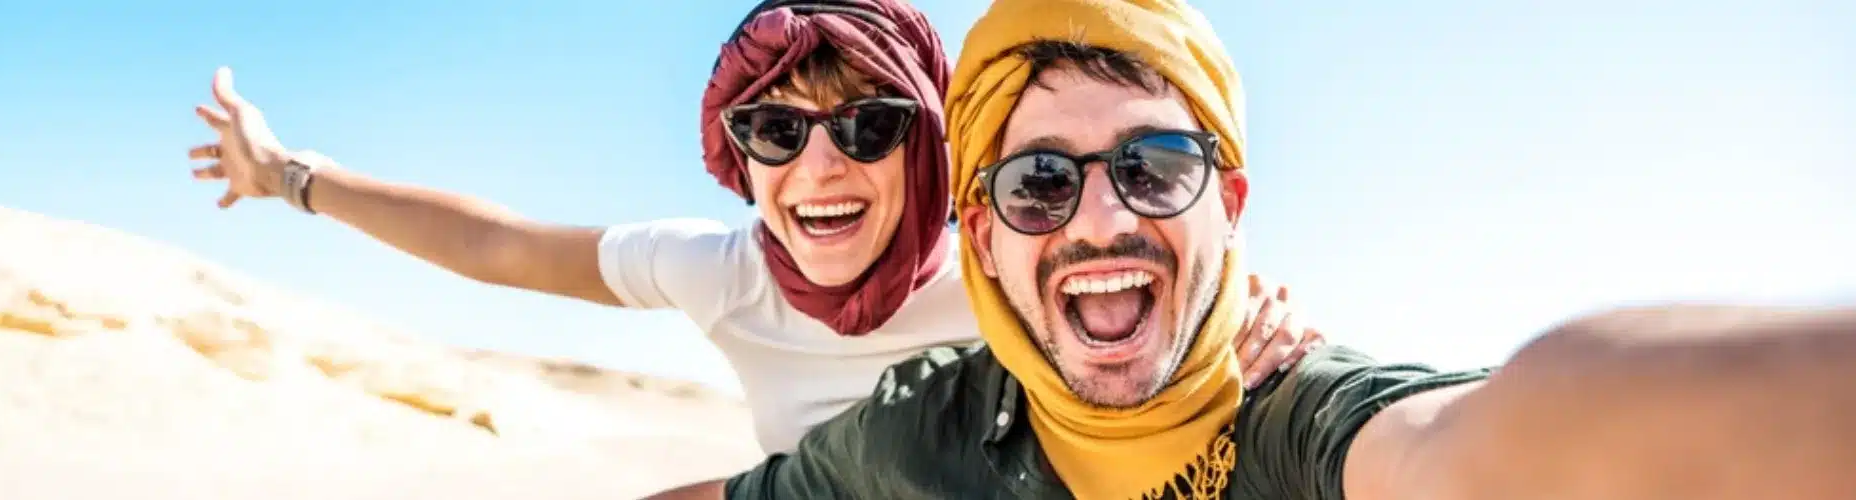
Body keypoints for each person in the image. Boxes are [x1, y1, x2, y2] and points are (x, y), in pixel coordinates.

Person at [660, 0, 1856, 499]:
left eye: (1152, 166)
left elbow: (1476, 445)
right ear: (979, 229)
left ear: (1226, 200)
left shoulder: (1288, 412)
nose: (1097, 220)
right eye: (1037, 181)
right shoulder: (928, 425)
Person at [180, 0, 1317, 455]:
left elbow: (1147, 255)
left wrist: (1249, 306)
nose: (818, 167)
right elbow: (500, 246)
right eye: (774, 130)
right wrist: (288, 175)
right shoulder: (721, 272)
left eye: (868, 126)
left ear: (930, 147)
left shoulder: (1009, 257)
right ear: (738, 155)